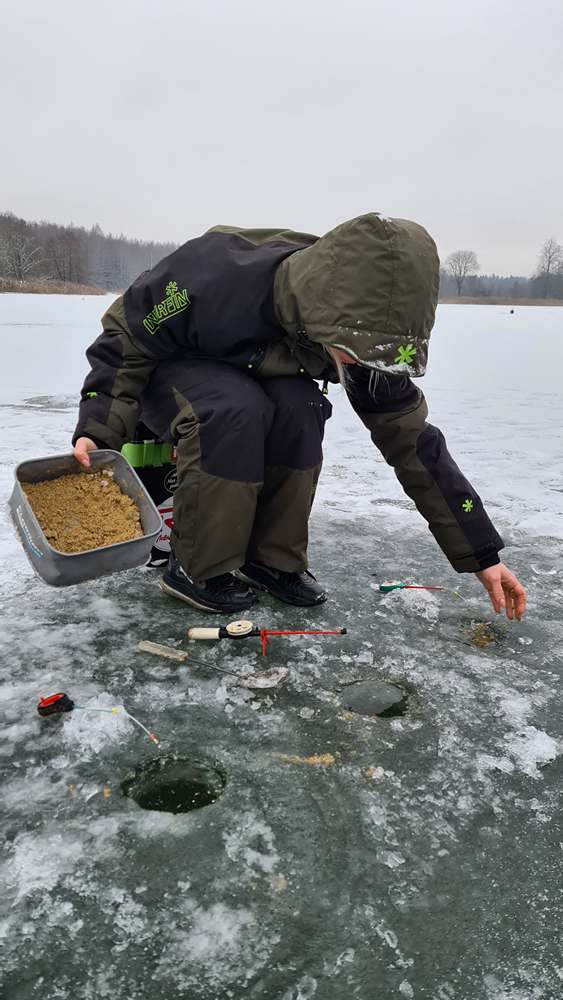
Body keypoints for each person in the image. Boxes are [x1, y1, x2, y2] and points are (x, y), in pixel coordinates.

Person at [72, 213, 526, 620]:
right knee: (233, 409)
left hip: (258, 365)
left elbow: (413, 441)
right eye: (353, 353)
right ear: (323, 312)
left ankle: (272, 559)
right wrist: (98, 428)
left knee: (300, 406)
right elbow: (126, 339)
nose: (358, 366)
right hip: (171, 363)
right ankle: (196, 566)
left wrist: (481, 552)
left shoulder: (365, 340)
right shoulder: (212, 276)